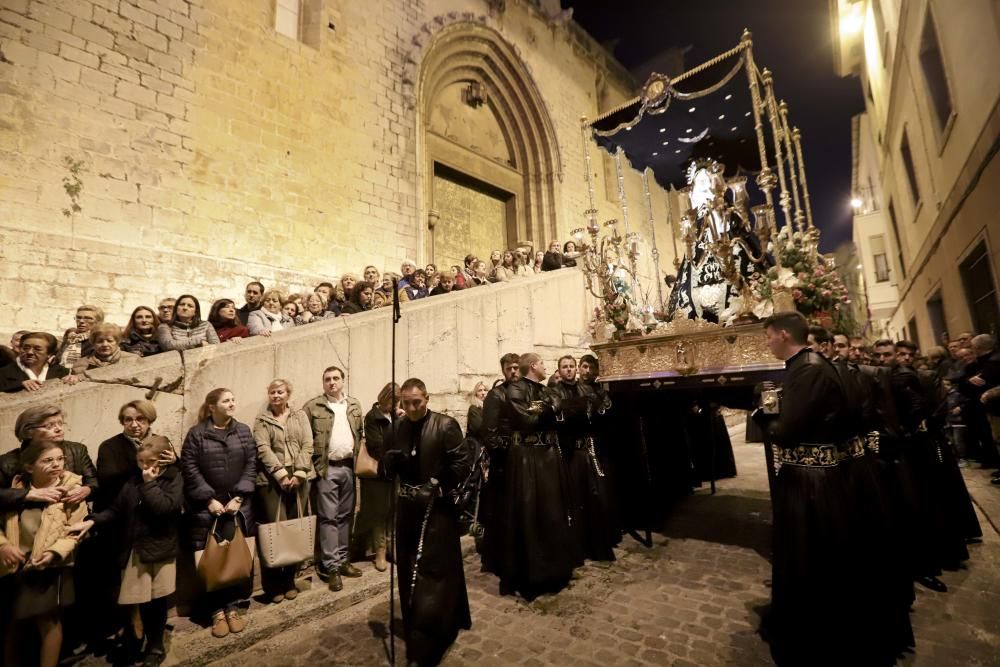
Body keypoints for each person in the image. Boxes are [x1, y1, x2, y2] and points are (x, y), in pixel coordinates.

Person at [753, 312, 913, 666]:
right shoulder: (807, 364)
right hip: (817, 474)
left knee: (816, 557)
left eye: (767, 336)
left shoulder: (807, 368)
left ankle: (821, 638)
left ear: (782, 334)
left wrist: (764, 415)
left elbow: (788, 429)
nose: (766, 343)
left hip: (813, 480)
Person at [379, 378, 472, 667]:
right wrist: (389, 463)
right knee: (408, 571)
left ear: (427, 398)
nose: (411, 407)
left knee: (436, 571)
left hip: (436, 510)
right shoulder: (396, 428)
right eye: (405, 403)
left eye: (416, 402)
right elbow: (384, 471)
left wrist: (435, 483)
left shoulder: (445, 426)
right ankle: (416, 631)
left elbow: (461, 463)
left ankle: (438, 633)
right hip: (407, 509)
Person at [69, 437, 183, 667]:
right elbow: (116, 510)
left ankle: (155, 645)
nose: (145, 466)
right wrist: (91, 521)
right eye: (141, 461)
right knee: (133, 598)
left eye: (150, 461)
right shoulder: (133, 480)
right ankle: (134, 640)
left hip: (159, 550)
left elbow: (164, 508)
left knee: (157, 601)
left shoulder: (173, 478)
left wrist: (150, 484)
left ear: (162, 459)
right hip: (134, 549)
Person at [0, 440, 89, 667]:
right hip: (15, 565)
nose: (56, 465)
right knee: (13, 624)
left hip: (50, 566)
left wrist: (53, 553)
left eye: (60, 459)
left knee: (49, 622)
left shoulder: (72, 488)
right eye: (48, 460)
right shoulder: (16, 488)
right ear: (30, 467)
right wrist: (3, 546)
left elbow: (75, 531)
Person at [180, 388, 255, 638]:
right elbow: (189, 468)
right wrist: (208, 499)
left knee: (233, 558)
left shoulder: (243, 430)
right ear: (212, 407)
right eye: (226, 401)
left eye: (233, 399)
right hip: (207, 509)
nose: (232, 403)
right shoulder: (197, 434)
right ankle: (215, 611)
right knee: (211, 559)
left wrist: (238, 497)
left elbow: (251, 464)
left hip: (235, 507)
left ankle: (233, 607)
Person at [498, 353, 575, 598]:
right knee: (530, 514)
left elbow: (558, 406)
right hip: (528, 458)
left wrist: (548, 407)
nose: (545, 367)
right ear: (533, 366)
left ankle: (555, 570)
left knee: (552, 512)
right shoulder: (515, 388)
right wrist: (548, 408)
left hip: (548, 457)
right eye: (543, 363)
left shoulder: (544, 389)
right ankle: (533, 575)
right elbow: (527, 418)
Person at [549, 355, 616, 562]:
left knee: (593, 497)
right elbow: (558, 415)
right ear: (559, 370)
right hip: (568, 454)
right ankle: (576, 550)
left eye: (571, 366)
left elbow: (600, 413)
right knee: (572, 500)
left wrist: (593, 403)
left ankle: (595, 545)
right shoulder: (553, 391)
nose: (568, 370)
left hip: (586, 453)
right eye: (564, 367)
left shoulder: (587, 389)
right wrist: (576, 407)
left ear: (576, 369)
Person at [252, 379, 314, 603]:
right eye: (272, 392)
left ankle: (289, 580)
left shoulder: (300, 416)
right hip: (271, 481)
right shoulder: (262, 420)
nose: (276, 396)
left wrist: (298, 473)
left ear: (288, 394)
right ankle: (273, 584)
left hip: (300, 476)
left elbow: (308, 443)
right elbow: (262, 448)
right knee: (275, 530)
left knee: (294, 529)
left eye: (280, 392)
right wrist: (280, 474)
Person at [303, 366, 364, 592]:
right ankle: (331, 567)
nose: (332, 383)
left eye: (336, 378)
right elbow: (305, 438)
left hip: (349, 467)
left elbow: (360, 433)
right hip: (326, 469)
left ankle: (343, 560)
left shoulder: (354, 405)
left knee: (346, 516)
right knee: (328, 518)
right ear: (323, 383)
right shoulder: (313, 407)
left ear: (343, 381)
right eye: (327, 379)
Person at [2, 406, 98, 504]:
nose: (59, 429)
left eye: (60, 423)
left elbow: (94, 482)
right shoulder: (8, 461)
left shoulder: (77, 450)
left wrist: (86, 490)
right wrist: (27, 494)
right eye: (49, 426)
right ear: (28, 432)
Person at [479, 353, 520, 575]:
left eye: (516, 367)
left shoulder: (523, 391)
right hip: (504, 462)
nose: (513, 371)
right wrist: (506, 451)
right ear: (503, 370)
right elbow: (490, 433)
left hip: (522, 460)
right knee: (501, 510)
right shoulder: (496, 395)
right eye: (509, 368)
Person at [358, 382, 401, 573]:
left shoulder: (397, 416)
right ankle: (380, 552)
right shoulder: (372, 417)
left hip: (396, 472)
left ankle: (392, 547)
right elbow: (376, 446)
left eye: (396, 401)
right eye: (391, 400)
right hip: (380, 473)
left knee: (394, 510)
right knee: (380, 513)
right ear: (383, 398)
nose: (393, 405)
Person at [0, 332, 72, 393]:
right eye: (26, 348)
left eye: (37, 349)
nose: (30, 352)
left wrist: (74, 379)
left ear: (49, 353)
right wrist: (19, 385)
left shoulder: (62, 372)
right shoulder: (3, 373)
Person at [71, 323, 140, 374]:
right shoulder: (79, 364)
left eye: (110, 341)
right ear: (93, 343)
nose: (105, 344)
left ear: (117, 342)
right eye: (100, 341)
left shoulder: (133, 359)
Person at [57, 304, 103, 369]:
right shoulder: (70, 337)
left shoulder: (98, 341)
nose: (81, 321)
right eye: (78, 317)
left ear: (98, 322)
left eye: (88, 318)